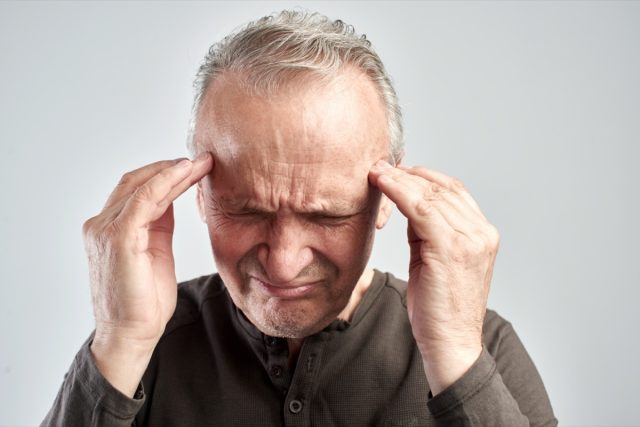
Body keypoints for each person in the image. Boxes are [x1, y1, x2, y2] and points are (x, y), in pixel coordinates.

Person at [42, 10, 557, 426]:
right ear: (197, 194)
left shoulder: (481, 345)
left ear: (388, 201)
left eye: (328, 216)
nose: (284, 264)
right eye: (246, 210)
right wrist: (121, 343)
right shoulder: (140, 345)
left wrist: (453, 357)